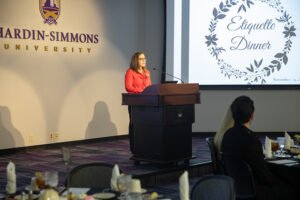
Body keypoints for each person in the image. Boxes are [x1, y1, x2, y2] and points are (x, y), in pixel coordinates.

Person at [221, 96, 298, 200]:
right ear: (252, 115)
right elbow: (265, 177)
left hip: (236, 189)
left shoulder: (227, 135)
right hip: (258, 191)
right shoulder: (251, 140)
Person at [125, 52, 152, 153]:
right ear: (136, 60)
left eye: (144, 58)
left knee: (146, 124)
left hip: (147, 102)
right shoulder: (130, 72)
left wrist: (148, 91)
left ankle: (145, 146)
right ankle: (135, 149)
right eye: (141, 59)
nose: (144, 60)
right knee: (135, 125)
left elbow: (149, 86)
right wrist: (141, 91)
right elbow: (128, 87)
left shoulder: (147, 72)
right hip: (135, 102)